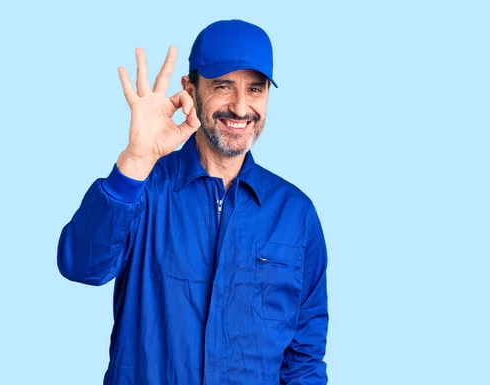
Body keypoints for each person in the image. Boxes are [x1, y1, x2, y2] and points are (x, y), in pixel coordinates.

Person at [57, 19, 329, 384]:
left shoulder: (295, 214)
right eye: (222, 86)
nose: (241, 107)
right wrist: (136, 159)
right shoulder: (144, 187)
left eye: (256, 89)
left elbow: (304, 358)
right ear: (190, 89)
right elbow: (82, 265)